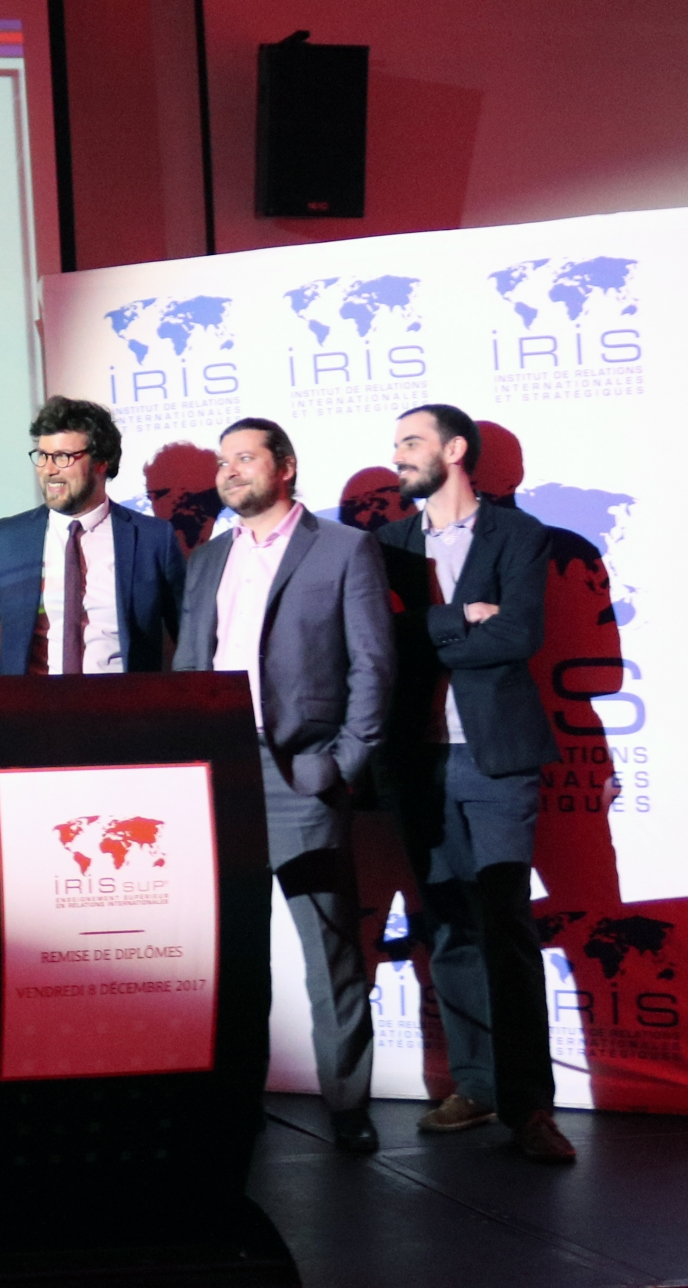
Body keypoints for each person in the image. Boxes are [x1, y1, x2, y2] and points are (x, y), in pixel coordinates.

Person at [173, 418, 391, 1154]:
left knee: (329, 949)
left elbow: (373, 666)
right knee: (232, 955)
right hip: (218, 773)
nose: (229, 471)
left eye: (245, 457)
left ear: (286, 466)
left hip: (302, 772)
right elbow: (189, 664)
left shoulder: (344, 548)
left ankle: (348, 1103)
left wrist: (343, 764)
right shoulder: (208, 557)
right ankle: (237, 1101)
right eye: (222, 461)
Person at [378, 403, 573, 1163]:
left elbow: (520, 634)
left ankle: (531, 1109)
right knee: (449, 925)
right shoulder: (385, 544)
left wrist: (428, 634)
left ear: (455, 450)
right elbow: (378, 641)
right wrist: (462, 617)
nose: (398, 455)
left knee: (505, 925)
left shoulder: (519, 534)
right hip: (417, 762)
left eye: (411, 442)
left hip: (495, 760)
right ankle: (477, 1085)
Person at [0, 396, 184, 676]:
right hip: (29, 701)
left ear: (102, 461)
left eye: (63, 457)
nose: (49, 469)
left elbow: (189, 638)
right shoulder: (4, 540)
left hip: (124, 701)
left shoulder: (153, 539)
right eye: (43, 456)